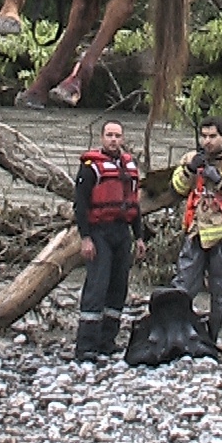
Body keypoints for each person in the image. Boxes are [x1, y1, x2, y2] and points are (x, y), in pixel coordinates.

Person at [170, 117, 222, 345]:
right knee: (184, 285)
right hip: (195, 233)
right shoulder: (190, 158)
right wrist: (190, 170)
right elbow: (177, 188)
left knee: (220, 291)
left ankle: (212, 337)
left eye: (212, 136)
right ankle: (177, 333)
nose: (207, 141)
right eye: (204, 136)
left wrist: (219, 180)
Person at [73, 121, 148, 361]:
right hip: (99, 232)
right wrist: (85, 238)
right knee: (97, 285)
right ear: (102, 137)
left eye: (117, 136)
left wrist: (139, 237)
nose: (113, 140)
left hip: (121, 231)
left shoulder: (129, 166)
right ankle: (86, 346)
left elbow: (134, 204)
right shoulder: (90, 167)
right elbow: (80, 205)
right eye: (109, 135)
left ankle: (107, 341)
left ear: (123, 139)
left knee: (118, 286)